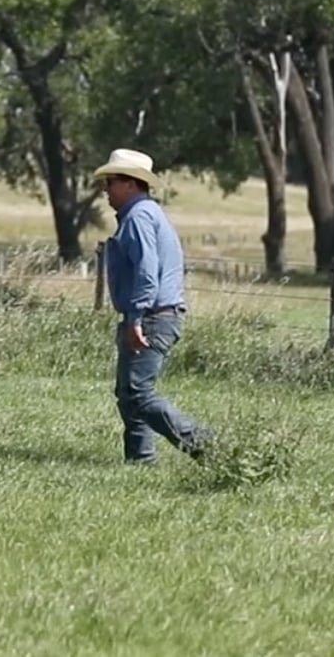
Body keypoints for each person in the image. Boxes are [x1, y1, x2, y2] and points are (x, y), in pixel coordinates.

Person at [95, 148, 209, 465]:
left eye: (112, 182)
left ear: (131, 184)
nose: (106, 189)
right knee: (130, 394)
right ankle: (140, 461)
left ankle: (208, 447)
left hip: (151, 316)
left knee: (137, 394)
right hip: (157, 314)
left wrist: (135, 318)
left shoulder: (139, 217)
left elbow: (147, 271)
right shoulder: (148, 214)